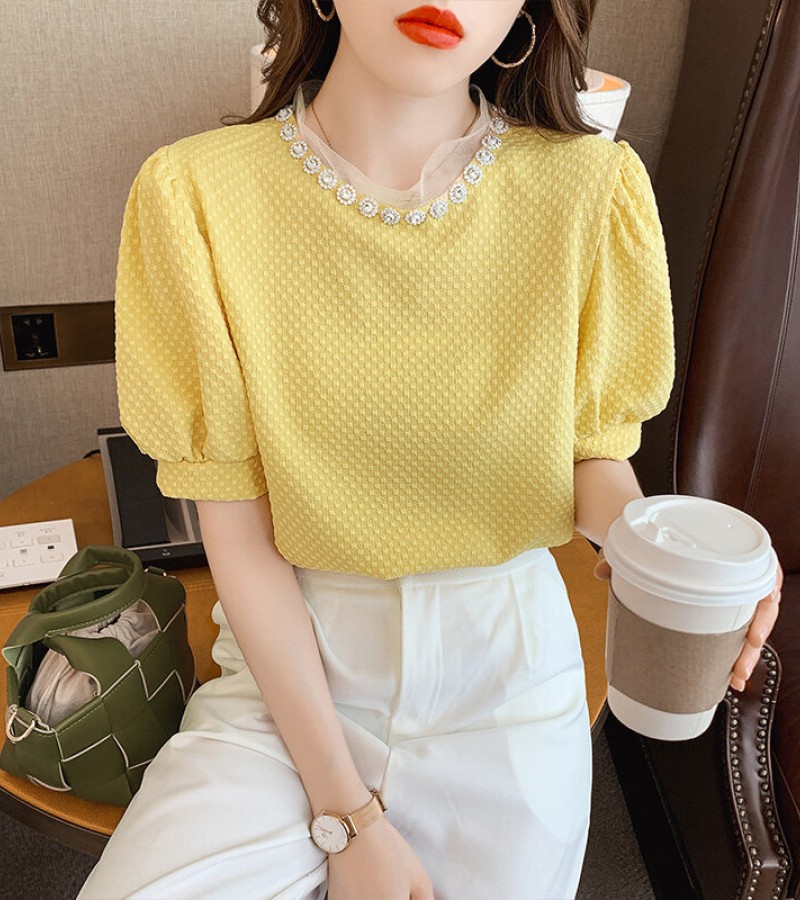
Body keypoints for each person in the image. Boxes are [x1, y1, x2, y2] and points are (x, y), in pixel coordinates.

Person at [76, 2, 784, 898]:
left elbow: (588, 457)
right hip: (291, 675)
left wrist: (671, 552)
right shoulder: (195, 195)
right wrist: (348, 816)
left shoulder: (591, 189)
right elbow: (240, 538)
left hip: (508, 683)